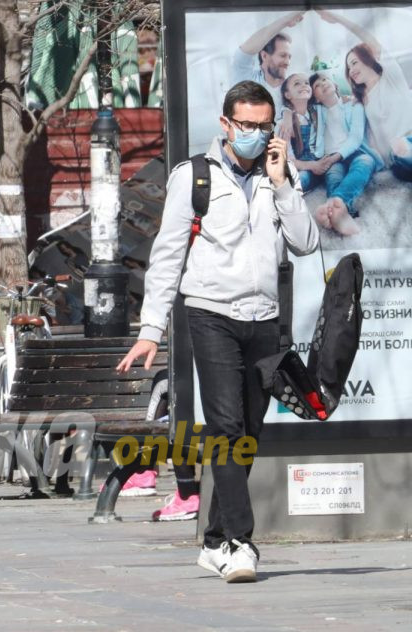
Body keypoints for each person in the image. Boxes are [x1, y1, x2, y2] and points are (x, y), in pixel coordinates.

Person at [117, 81, 319, 583]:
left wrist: (283, 184)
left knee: (249, 432)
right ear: (226, 124)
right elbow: (166, 256)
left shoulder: (281, 175)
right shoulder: (195, 177)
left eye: (263, 126)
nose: (255, 134)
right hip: (210, 314)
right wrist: (151, 329)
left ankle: (212, 540)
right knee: (226, 427)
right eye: (246, 125)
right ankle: (239, 542)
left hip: (265, 319)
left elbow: (306, 242)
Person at [321, 9, 412, 182]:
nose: (352, 70)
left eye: (354, 62)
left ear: (368, 58)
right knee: (401, 157)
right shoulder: (361, 99)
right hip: (396, 158)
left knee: (404, 148)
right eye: (349, 68)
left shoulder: (390, 74)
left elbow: (370, 40)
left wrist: (338, 19)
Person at [308, 71, 378, 236]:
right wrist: (288, 115)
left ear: (335, 85)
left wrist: (336, 156)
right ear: (316, 97)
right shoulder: (315, 112)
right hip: (330, 157)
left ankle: (336, 204)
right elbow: (294, 106)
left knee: (366, 162)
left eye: (325, 80)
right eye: (317, 85)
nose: (323, 83)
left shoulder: (353, 105)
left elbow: (355, 138)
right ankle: (342, 214)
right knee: (334, 177)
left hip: (355, 152)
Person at [233, 11, 303, 107]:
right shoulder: (246, 79)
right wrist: (285, 21)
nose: (287, 62)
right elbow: (244, 53)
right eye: (282, 56)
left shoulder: (290, 90)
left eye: (289, 57)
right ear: (264, 56)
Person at [277, 73, 323, 193]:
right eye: (297, 83)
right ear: (287, 94)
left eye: (307, 83)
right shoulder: (284, 123)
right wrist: (312, 165)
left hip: (321, 163)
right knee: (298, 180)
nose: (304, 86)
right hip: (300, 167)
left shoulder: (318, 112)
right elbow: (288, 159)